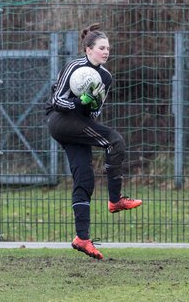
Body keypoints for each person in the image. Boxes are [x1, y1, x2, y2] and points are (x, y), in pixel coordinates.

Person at [45, 23, 142, 260]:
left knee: (85, 179)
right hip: (61, 120)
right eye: (101, 48)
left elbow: (94, 115)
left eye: (108, 48)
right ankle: (116, 200)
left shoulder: (106, 77)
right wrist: (81, 101)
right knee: (114, 142)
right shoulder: (74, 66)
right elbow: (56, 100)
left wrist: (92, 103)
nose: (106, 52)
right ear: (89, 50)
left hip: (79, 125)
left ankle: (82, 238)